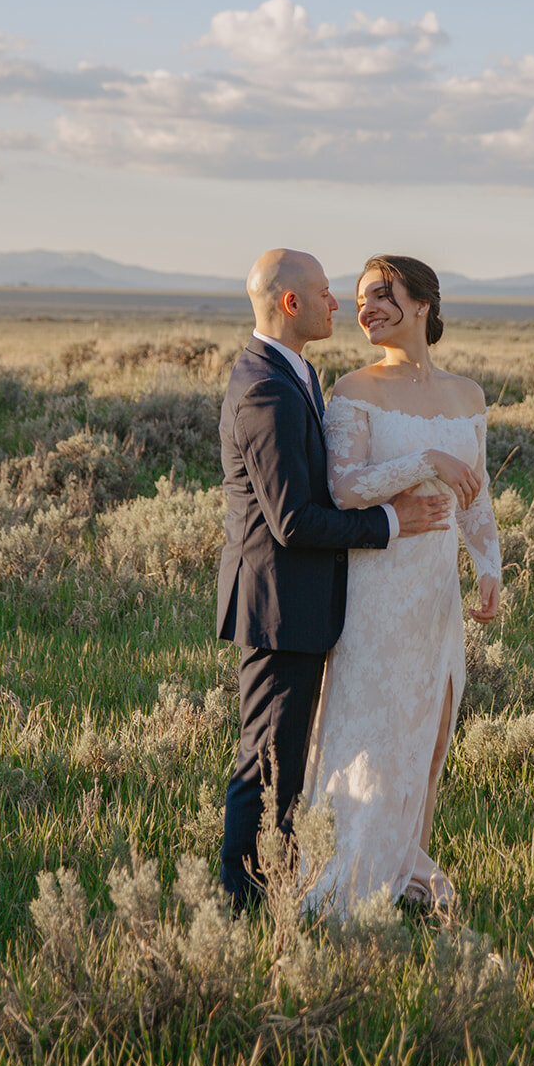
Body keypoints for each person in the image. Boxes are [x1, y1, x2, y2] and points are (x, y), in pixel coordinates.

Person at [217, 248, 450, 910]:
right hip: (279, 603)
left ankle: (279, 887)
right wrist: (391, 522)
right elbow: (292, 521)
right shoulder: (266, 387)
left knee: (286, 762)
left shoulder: (296, 375)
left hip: (301, 602)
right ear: (291, 303)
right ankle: (241, 904)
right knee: (267, 763)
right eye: (324, 293)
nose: (336, 304)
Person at [303, 254, 502, 914]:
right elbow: (343, 487)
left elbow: (474, 494)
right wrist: (423, 461)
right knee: (377, 730)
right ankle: (350, 874)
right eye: (360, 299)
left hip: (437, 596)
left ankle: (404, 873)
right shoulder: (354, 390)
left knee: (433, 732)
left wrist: (489, 567)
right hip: (376, 587)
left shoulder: (467, 395)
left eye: (383, 294)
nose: (368, 308)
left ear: (423, 303)